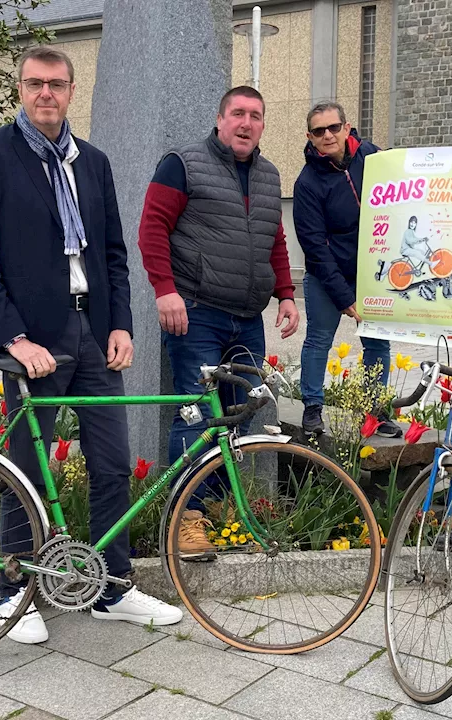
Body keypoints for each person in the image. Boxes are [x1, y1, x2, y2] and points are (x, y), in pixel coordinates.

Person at [0, 44, 182, 644]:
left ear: (71, 89)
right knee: (26, 470)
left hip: (93, 333)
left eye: (56, 84)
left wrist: (120, 325)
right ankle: (14, 590)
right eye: (34, 84)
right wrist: (15, 336)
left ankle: (112, 588)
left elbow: (111, 251)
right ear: (20, 89)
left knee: (111, 464)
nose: (45, 94)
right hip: (32, 340)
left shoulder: (94, 162)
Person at [138, 85, 299, 559]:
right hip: (198, 311)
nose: (246, 123)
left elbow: (275, 242)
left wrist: (286, 295)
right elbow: (152, 228)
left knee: (236, 418)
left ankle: (217, 508)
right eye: (238, 114)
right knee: (196, 415)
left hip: (248, 317)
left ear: (263, 124)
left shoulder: (268, 175)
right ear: (220, 118)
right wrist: (165, 290)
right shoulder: (182, 164)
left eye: (255, 116)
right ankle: (186, 521)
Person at [293, 101, 400, 438]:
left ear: (347, 127)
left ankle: (376, 412)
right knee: (319, 341)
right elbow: (314, 245)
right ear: (310, 136)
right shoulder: (307, 182)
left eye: (333, 128)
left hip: (374, 272)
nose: (328, 135)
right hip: (327, 276)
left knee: (378, 345)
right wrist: (343, 296)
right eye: (319, 131)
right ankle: (312, 409)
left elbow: (412, 182)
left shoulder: (373, 157)